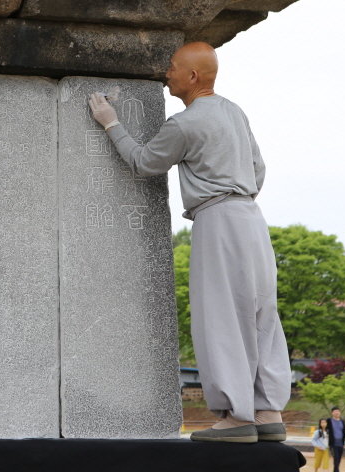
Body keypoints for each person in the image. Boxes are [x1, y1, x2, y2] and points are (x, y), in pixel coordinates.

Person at [88, 42, 291, 443]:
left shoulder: (186, 123)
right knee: (261, 314)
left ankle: (236, 417)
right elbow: (258, 169)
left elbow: (145, 163)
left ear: (193, 77)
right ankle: (267, 411)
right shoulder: (234, 111)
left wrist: (111, 122)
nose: (167, 73)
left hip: (217, 219)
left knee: (221, 317)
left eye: (174, 67)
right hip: (250, 216)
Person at [326, 407, 345, 472]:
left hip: (341, 443)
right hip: (333, 443)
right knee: (336, 458)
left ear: (340, 413)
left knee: (339, 459)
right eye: (335, 411)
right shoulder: (329, 420)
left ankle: (335, 470)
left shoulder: (342, 421)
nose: (337, 412)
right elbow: (324, 428)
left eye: (338, 411)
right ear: (332, 413)